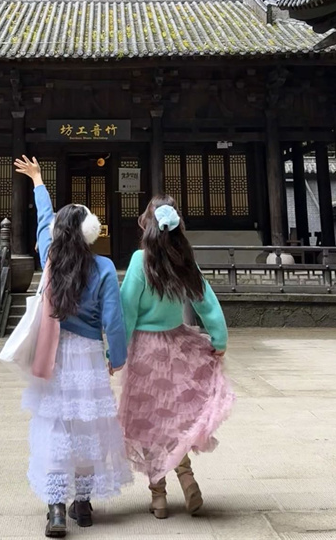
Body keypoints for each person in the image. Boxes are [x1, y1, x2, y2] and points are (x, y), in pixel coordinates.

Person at [14, 156, 132, 538]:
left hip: (53, 354)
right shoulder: (104, 267)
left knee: (55, 427)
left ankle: (56, 509)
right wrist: (117, 356)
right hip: (88, 356)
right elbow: (113, 320)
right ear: (89, 232)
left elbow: (43, 220)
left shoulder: (50, 257)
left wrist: (38, 181)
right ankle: (83, 504)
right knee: (86, 427)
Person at [118, 195, 234, 519]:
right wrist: (219, 338)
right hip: (178, 344)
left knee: (149, 421)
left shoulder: (141, 261)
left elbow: (127, 311)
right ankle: (187, 478)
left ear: (147, 224)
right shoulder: (183, 260)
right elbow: (205, 301)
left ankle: (158, 497)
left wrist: (115, 352)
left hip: (145, 351)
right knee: (176, 418)